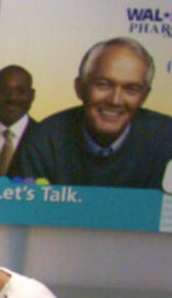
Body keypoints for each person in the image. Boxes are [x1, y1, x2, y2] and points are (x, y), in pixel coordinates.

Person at [12, 37, 172, 189]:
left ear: (144, 96)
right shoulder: (43, 141)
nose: (115, 101)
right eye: (103, 85)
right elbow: (21, 214)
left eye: (131, 89)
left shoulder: (167, 139)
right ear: (79, 88)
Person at [0, 64, 37, 180]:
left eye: (20, 91)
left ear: (32, 96)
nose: (12, 98)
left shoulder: (46, 140)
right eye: (4, 91)